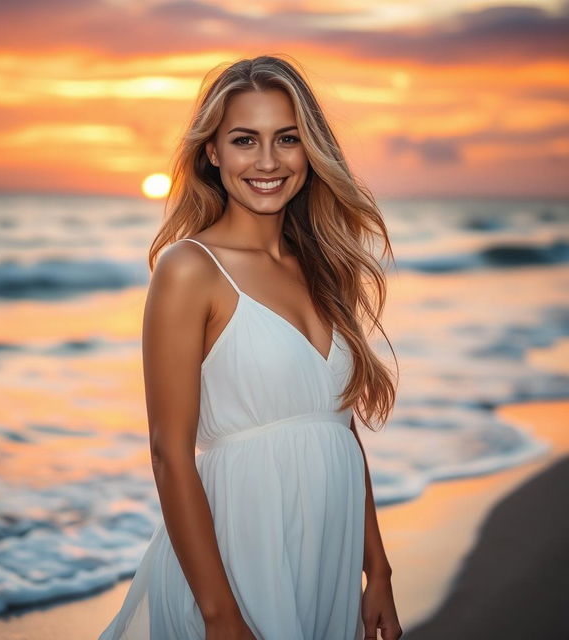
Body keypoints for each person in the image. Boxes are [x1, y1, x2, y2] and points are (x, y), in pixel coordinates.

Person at [98, 54, 402, 640]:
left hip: (326, 555)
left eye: (287, 139)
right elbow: (168, 452)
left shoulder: (323, 267)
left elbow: (340, 431)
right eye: (245, 140)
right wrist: (221, 616)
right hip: (238, 557)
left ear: (309, 150)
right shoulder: (190, 268)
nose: (268, 162)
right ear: (212, 152)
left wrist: (379, 569)